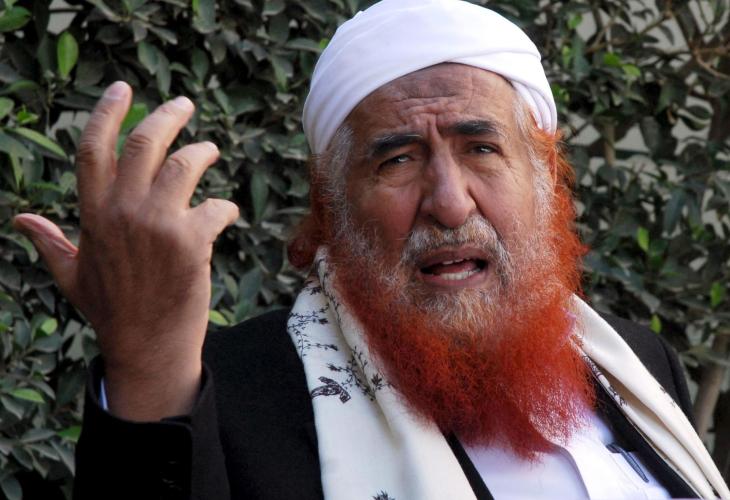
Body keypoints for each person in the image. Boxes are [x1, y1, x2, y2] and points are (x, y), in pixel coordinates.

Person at [13, 0, 729, 499]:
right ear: (332, 207)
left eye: (482, 148)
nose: (449, 202)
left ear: (545, 176)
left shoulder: (635, 360)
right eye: (398, 160)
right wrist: (145, 359)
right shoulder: (235, 394)